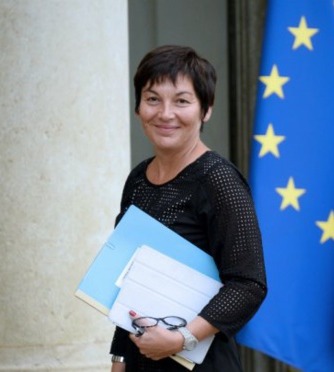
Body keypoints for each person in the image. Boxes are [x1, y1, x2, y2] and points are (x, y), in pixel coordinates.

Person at [109, 45, 267, 371]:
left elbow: (249, 285)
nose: (165, 113)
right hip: (142, 360)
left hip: (201, 362)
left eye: (181, 101)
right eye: (153, 99)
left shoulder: (219, 181)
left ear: (205, 110)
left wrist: (183, 338)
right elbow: (131, 281)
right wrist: (119, 358)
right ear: (138, 107)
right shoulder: (137, 179)